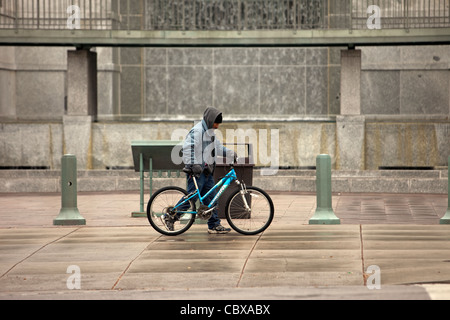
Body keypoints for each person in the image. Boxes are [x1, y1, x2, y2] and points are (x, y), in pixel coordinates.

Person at [168, 107, 236, 234]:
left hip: (207, 171)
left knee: (211, 198)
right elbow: (188, 148)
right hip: (197, 171)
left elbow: (218, 147)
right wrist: (193, 165)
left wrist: (230, 153)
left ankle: (214, 225)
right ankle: (171, 217)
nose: (217, 126)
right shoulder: (198, 131)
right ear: (211, 120)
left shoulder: (210, 132)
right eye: (216, 123)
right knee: (191, 199)